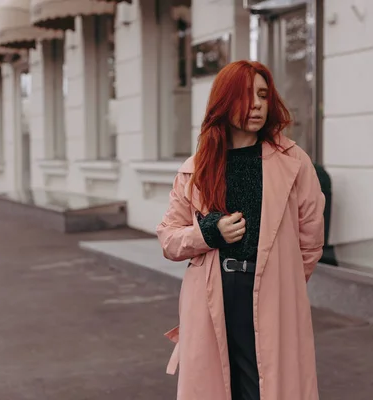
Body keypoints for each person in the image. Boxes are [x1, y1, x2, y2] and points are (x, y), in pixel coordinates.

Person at [156, 60, 325, 400]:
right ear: (225, 101)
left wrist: (282, 280)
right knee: (218, 386)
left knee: (265, 388)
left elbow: (311, 240)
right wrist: (208, 232)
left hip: (271, 292)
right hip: (211, 292)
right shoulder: (197, 169)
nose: (258, 104)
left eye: (263, 95)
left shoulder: (294, 161)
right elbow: (169, 239)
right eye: (247, 95)